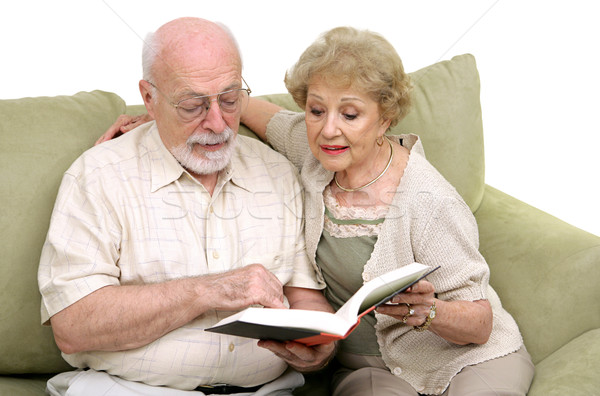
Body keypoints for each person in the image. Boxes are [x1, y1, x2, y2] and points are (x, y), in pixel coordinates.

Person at [98, 27, 535, 395]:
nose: (329, 129)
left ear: (385, 119)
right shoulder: (311, 151)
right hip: (371, 371)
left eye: (350, 114)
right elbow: (232, 106)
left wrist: (430, 312)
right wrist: (160, 117)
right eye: (316, 109)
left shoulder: (429, 200)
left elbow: (479, 324)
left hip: (466, 360)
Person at [38, 17, 336, 396]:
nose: (217, 123)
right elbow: (72, 325)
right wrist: (206, 291)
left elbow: (303, 293)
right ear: (150, 98)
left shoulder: (276, 172)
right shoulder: (97, 176)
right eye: (192, 105)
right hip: (130, 390)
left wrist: (321, 343)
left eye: (229, 100)